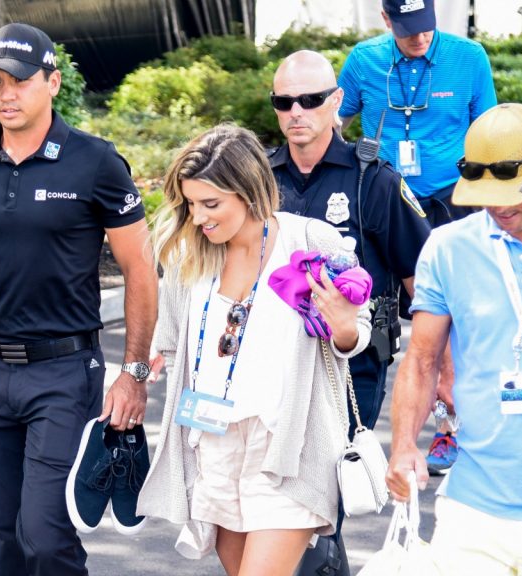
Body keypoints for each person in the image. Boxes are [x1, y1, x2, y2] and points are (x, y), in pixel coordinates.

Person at [0, 22, 157, 576]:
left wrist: (133, 373)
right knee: (8, 544)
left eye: (18, 80)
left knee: (45, 535)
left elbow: (141, 269)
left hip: (65, 374)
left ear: (53, 82)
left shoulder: (96, 162)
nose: (5, 94)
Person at [138, 123, 371, 575]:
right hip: (214, 439)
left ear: (248, 192)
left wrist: (343, 327)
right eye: (190, 204)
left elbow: (354, 334)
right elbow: (168, 340)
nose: (200, 217)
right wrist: (140, 368)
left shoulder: (308, 241)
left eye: (211, 204)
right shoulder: (191, 254)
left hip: (287, 445)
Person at [386, 102, 522, 574]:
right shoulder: (448, 247)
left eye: (514, 192)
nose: (500, 206)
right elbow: (421, 359)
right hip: (473, 510)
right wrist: (404, 445)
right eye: (487, 193)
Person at [338, 0, 497, 474]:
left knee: (454, 320)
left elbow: (488, 130)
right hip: (387, 200)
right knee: (379, 315)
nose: (420, 37)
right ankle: (359, 430)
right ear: (386, 21)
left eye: (426, 27)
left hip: (451, 199)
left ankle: (450, 429)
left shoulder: (469, 58)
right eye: (407, 30)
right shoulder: (363, 61)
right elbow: (334, 122)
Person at [270, 50, 431, 437]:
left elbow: (423, 281)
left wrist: (434, 365)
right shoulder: (260, 178)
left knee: (342, 481)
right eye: (284, 102)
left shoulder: (373, 181)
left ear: (337, 100)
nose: (296, 111)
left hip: (352, 363)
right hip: (275, 358)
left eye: (310, 100)